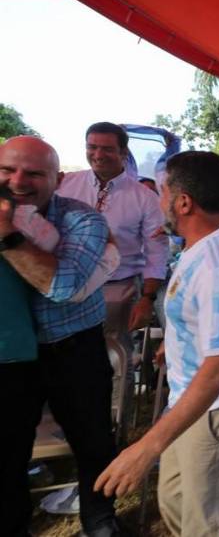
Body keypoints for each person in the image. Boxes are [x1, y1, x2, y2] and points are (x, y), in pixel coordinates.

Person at [94, 151, 219, 537]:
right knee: (175, 504)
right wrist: (175, 344)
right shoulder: (199, 248)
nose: (159, 203)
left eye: (162, 192)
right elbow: (203, 319)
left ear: (184, 202)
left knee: (211, 525)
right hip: (191, 401)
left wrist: (147, 446)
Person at [0, 136, 120, 536]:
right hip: (10, 357)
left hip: (74, 348)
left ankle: (99, 519)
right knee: (8, 450)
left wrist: (6, 235)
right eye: (7, 170)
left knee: (93, 442)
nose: (18, 181)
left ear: (59, 179)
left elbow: (62, 285)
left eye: (34, 173)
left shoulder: (83, 220)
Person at [58, 121, 169, 435]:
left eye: (107, 148)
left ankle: (112, 428)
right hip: (69, 286)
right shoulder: (66, 185)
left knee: (117, 359)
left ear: (123, 152)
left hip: (118, 289)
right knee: (67, 355)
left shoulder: (144, 197)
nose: (98, 155)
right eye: (92, 147)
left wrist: (146, 298)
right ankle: (68, 424)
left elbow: (156, 251)